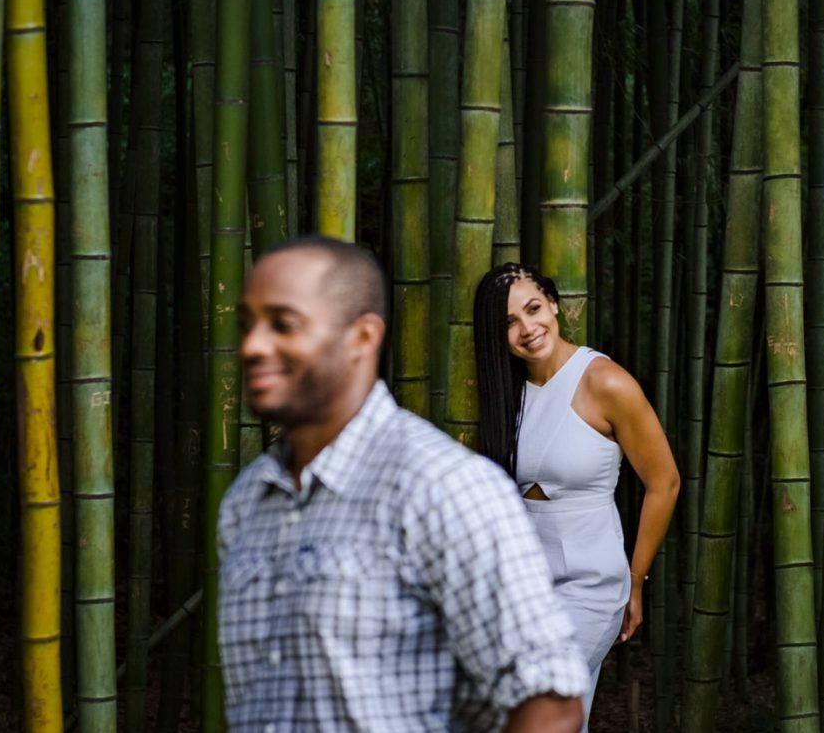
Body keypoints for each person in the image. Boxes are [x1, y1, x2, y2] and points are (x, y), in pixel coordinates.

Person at [223, 236, 589, 733]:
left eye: (284, 325)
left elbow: (549, 702)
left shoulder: (442, 487)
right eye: (247, 325)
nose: (253, 346)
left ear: (362, 338)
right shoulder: (246, 501)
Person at [472, 265, 680, 730]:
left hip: (590, 584)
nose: (527, 329)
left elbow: (664, 482)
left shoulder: (604, 381)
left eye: (533, 308)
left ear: (554, 304)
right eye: (509, 322)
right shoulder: (507, 392)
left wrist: (636, 580)